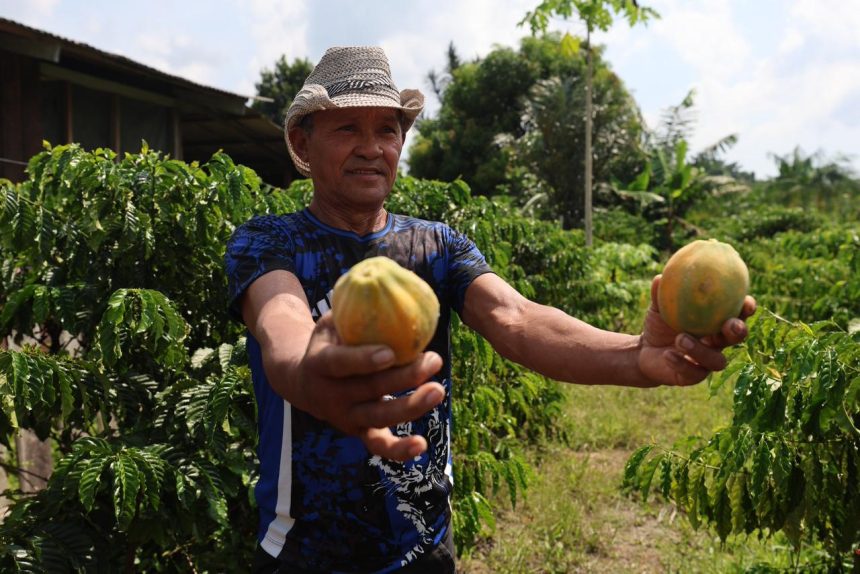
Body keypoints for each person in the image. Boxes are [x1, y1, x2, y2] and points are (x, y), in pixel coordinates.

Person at [225, 46, 756, 574]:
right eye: (347, 129)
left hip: (426, 550)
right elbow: (284, 326)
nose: (371, 148)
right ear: (303, 142)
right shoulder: (268, 242)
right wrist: (307, 374)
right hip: (301, 556)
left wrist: (636, 355)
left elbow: (517, 319)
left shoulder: (436, 245)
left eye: (387, 130)